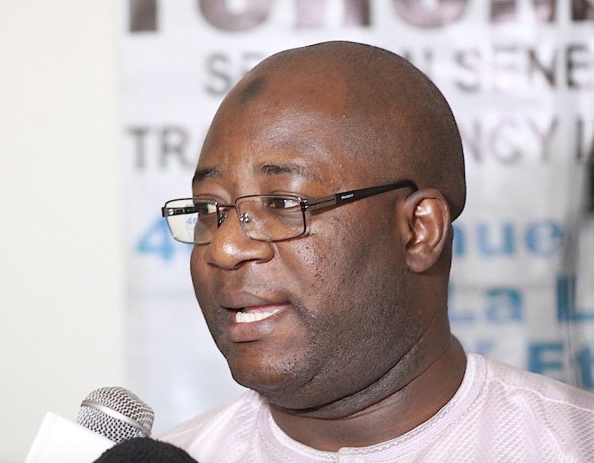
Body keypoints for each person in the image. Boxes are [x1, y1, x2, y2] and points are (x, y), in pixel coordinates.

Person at [157, 41, 594, 462]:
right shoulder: (185, 455)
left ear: (419, 231)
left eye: (284, 204)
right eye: (208, 210)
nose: (225, 247)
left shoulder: (573, 446)